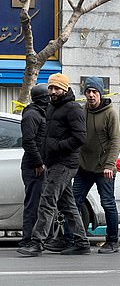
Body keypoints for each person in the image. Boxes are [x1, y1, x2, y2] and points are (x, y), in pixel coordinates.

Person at [17, 73, 90, 256]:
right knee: (68, 205)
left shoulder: (73, 109)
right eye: (50, 88)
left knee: (47, 201)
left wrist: (57, 146)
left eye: (57, 88)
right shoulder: (51, 108)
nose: (53, 91)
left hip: (65, 163)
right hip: (54, 162)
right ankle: (82, 242)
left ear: (65, 89)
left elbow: (80, 137)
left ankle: (37, 242)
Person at [69, 76, 120, 254]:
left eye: (94, 92)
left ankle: (113, 241)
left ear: (100, 93)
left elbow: (116, 141)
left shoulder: (110, 113)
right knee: (73, 202)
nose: (91, 95)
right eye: (88, 92)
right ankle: (75, 240)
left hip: (103, 169)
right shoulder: (82, 111)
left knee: (108, 203)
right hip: (83, 168)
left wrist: (109, 165)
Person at [18, 84, 50, 248]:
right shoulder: (32, 115)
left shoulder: (40, 113)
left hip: (39, 165)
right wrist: (38, 162)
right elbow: (29, 142)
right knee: (33, 204)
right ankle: (28, 239)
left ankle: (37, 238)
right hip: (34, 167)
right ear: (43, 98)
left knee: (39, 203)